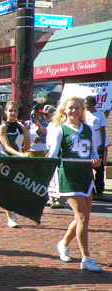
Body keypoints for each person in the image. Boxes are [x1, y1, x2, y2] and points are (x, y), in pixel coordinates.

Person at [48, 96, 102, 272]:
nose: (74, 111)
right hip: (69, 176)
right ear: (64, 110)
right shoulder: (60, 130)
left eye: (77, 108)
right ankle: (86, 258)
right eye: (70, 108)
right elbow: (53, 156)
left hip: (86, 176)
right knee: (83, 216)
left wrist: (96, 160)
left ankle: (63, 244)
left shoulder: (88, 129)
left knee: (82, 218)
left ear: (82, 110)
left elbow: (93, 152)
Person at [0, 101, 30, 228]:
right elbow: (6, 146)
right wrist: (20, 154)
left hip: (19, 160)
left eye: (15, 111)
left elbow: (27, 145)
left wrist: (23, 153)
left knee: (19, 188)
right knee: (8, 189)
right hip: (7, 159)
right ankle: (10, 217)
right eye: (10, 110)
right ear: (5, 111)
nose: (12, 113)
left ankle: (13, 209)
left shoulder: (21, 126)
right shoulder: (2, 127)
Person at [83, 96, 108, 196]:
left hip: (98, 144)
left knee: (99, 168)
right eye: (84, 103)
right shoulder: (83, 115)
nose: (85, 105)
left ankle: (100, 189)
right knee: (88, 168)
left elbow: (103, 129)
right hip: (87, 144)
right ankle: (91, 189)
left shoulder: (100, 114)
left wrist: (102, 143)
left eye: (87, 103)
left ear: (93, 104)